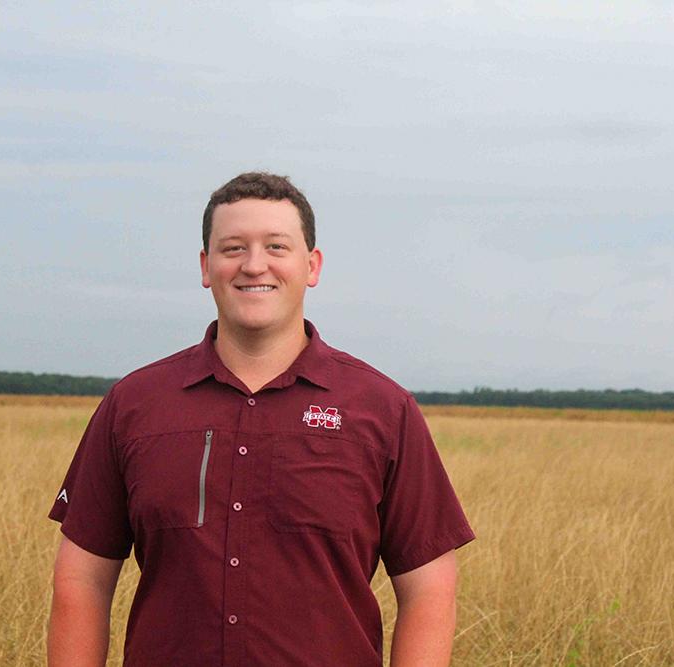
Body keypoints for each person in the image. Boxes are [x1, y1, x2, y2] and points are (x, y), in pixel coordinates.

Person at [47, 172, 475, 666]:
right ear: (206, 267)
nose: (254, 265)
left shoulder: (382, 409)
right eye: (233, 248)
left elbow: (430, 587)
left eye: (276, 246)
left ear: (311, 265)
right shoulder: (134, 405)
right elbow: (81, 579)